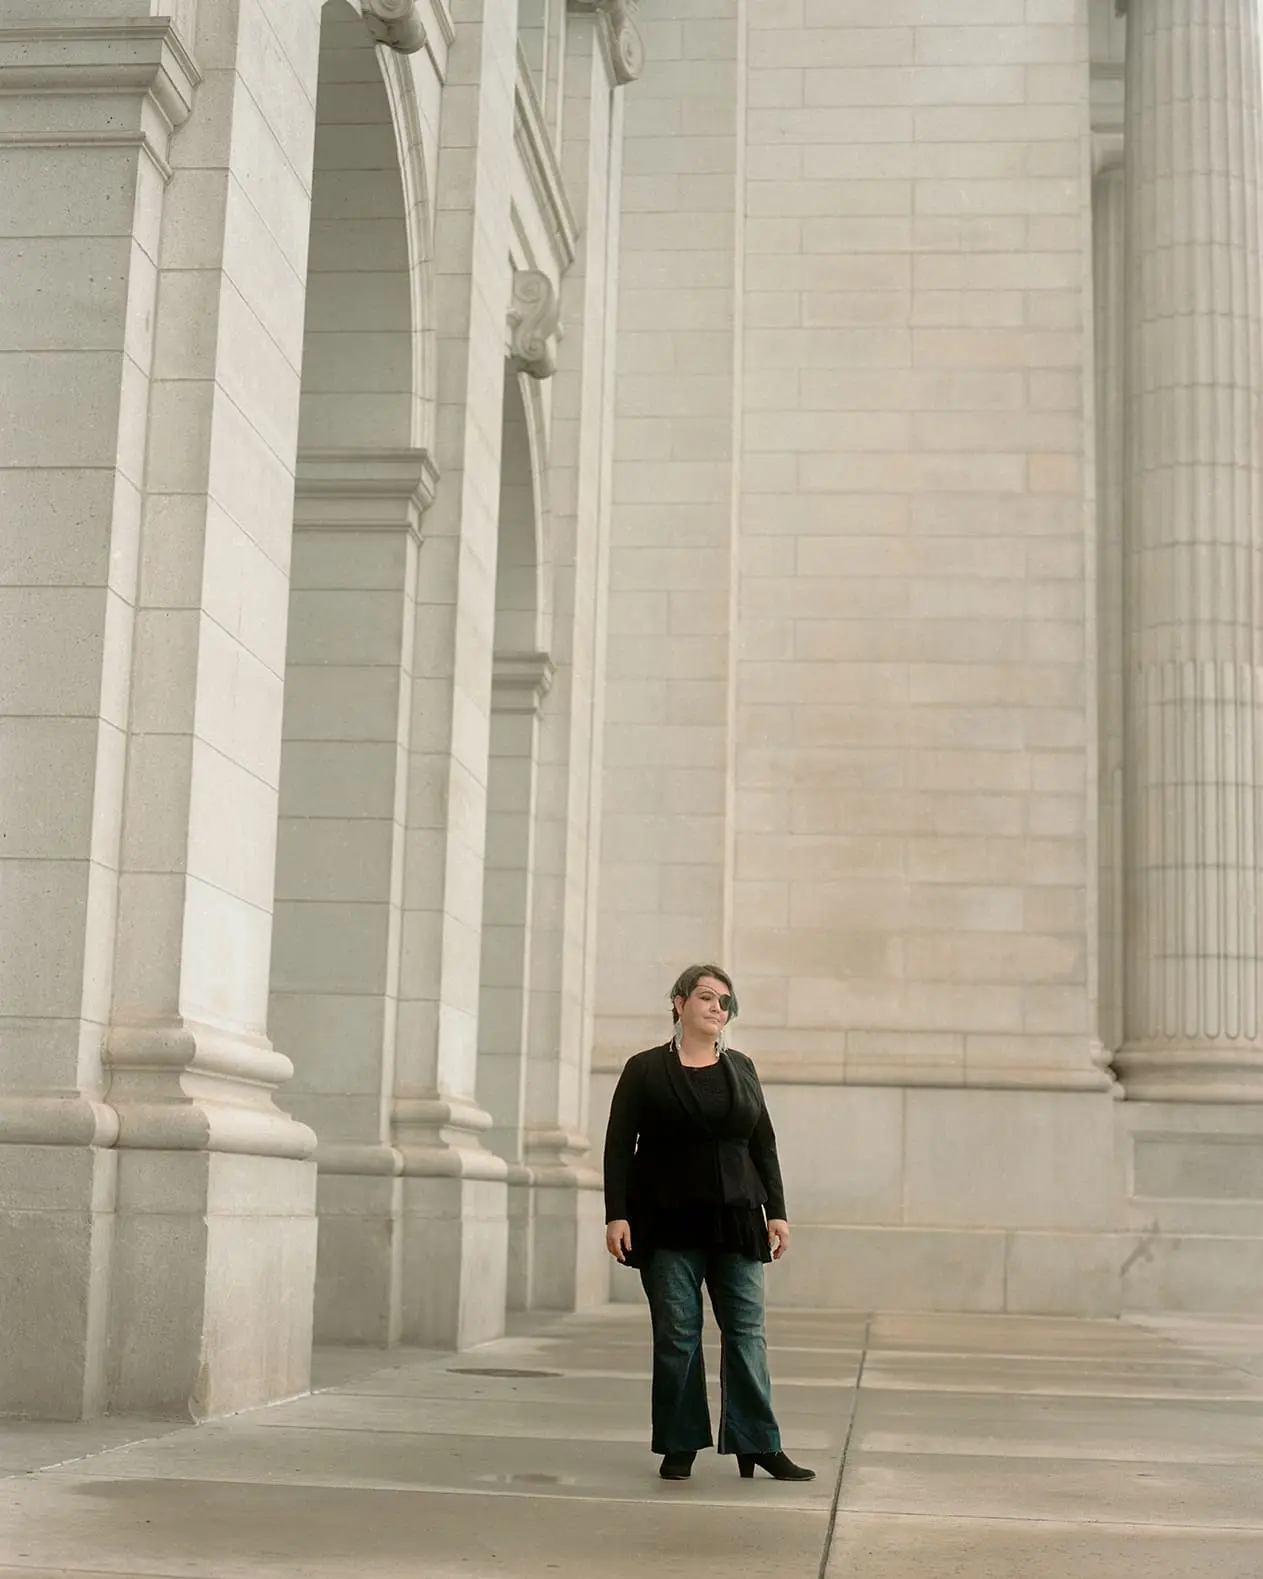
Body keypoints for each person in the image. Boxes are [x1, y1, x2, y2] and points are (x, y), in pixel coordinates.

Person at [603, 963, 814, 1483]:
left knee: (747, 1332)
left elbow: (763, 1144)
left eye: (724, 1000)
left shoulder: (742, 1067)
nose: (717, 1007)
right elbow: (618, 1148)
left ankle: (757, 1443)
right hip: (666, 1222)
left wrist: (778, 1212)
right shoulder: (645, 1069)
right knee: (678, 1335)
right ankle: (680, 1443)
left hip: (737, 1220)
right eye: (705, 997)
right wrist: (616, 1215)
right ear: (679, 1003)